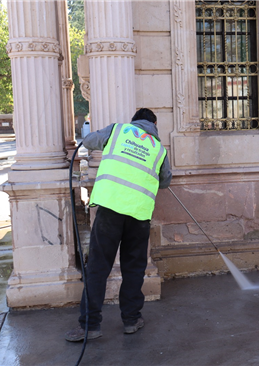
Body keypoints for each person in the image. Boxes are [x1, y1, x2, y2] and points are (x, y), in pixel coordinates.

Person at [65, 108, 172, 342]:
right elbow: (165, 181)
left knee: (98, 268)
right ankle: (131, 320)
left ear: (133, 122)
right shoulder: (159, 149)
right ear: (154, 124)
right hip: (139, 215)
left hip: (110, 212)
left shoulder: (118, 130)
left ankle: (90, 326)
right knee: (133, 269)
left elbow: (90, 141)